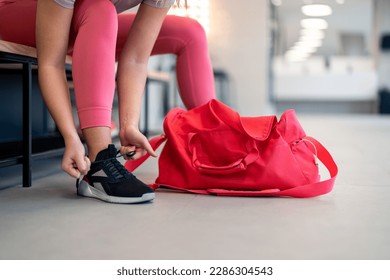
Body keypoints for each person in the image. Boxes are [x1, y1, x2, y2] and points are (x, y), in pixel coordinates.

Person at [0, 0, 215, 203]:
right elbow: (51, 63)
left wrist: (129, 125)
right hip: (18, 15)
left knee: (190, 32)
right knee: (100, 8)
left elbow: (136, 58)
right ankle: (100, 162)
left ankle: (214, 148)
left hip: (88, 21)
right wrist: (71, 136)